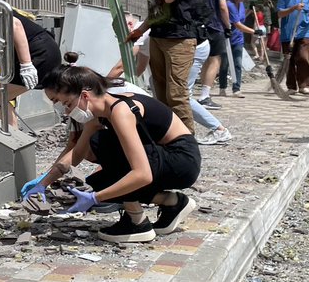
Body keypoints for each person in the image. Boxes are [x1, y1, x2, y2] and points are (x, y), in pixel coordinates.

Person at [25, 59, 201, 243]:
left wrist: (95, 198)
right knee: (99, 167)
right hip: (166, 157)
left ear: (85, 96)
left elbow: (142, 174)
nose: (67, 112)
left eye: (67, 104)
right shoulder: (101, 113)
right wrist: (42, 184)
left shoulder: (120, 111)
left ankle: (137, 223)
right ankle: (172, 202)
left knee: (105, 151)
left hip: (181, 159)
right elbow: (77, 155)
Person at [126, 0, 199, 131]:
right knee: (160, 90)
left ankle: (185, 137)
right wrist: (140, 31)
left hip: (178, 39)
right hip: (158, 36)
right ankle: (168, 133)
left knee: (176, 92)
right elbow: (157, 9)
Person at [117, 21, 233, 145]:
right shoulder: (143, 35)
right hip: (184, 45)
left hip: (194, 47)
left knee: (180, 93)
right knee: (156, 82)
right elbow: (140, 67)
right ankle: (168, 128)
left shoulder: (139, 33)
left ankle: (219, 129)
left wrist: (105, 84)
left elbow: (121, 65)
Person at [195, 0, 232, 107]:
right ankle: (204, 96)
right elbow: (223, 6)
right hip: (214, 25)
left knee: (204, 59)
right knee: (215, 59)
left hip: (199, 25)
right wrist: (228, 26)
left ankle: (198, 93)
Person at [220, 0, 254, 98]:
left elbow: (241, 19)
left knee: (238, 63)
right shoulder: (229, 4)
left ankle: (236, 89)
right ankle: (222, 87)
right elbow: (238, 24)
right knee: (224, 64)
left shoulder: (241, 5)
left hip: (238, 39)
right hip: (227, 38)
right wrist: (254, 32)